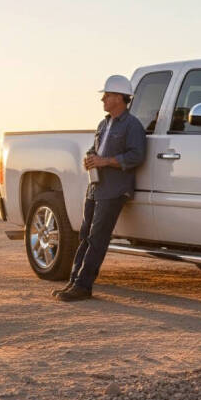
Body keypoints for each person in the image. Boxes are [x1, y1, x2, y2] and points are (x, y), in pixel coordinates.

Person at [53, 74, 147, 301]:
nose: (103, 99)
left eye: (107, 95)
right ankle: (74, 282)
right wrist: (90, 158)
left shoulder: (132, 125)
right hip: (95, 188)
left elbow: (137, 155)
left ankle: (83, 287)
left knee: (97, 238)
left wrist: (105, 161)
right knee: (85, 236)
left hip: (114, 190)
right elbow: (93, 150)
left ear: (120, 98)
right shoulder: (103, 125)